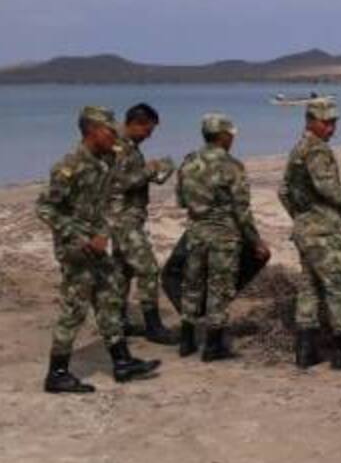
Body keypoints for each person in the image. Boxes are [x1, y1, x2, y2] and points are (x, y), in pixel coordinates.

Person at [37, 106, 161, 393]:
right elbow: (44, 207)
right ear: (92, 130)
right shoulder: (70, 165)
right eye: (109, 129)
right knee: (74, 309)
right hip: (75, 248)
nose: (114, 134)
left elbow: (105, 204)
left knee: (108, 299)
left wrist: (103, 233)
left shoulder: (103, 162)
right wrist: (81, 237)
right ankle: (56, 374)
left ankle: (122, 362)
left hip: (95, 244)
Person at [176, 113, 270, 362]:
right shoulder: (232, 166)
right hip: (223, 235)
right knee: (220, 288)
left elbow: (181, 199)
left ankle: (186, 342)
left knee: (192, 284)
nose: (232, 140)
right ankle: (213, 346)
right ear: (223, 136)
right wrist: (255, 241)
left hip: (195, 233)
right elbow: (242, 210)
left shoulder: (188, 162)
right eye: (230, 136)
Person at [279, 98, 341, 369]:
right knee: (338, 288)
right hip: (324, 232)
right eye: (326, 122)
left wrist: (300, 216)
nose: (331, 128)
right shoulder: (316, 150)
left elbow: (283, 191)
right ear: (310, 121)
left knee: (309, 289)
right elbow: (327, 188)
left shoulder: (298, 149)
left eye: (334, 122)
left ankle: (306, 352)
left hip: (306, 230)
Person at [109, 103, 177, 344]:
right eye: (147, 130)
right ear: (136, 123)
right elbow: (118, 183)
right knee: (148, 269)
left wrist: (157, 172)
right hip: (122, 219)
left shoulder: (129, 146)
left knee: (122, 271)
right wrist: (150, 171)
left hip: (127, 218)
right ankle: (153, 326)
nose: (149, 136)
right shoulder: (118, 147)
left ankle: (118, 321)